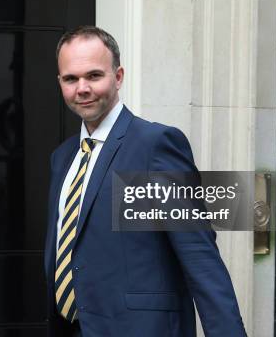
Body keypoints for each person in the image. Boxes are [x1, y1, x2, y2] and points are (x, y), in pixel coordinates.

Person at [43, 26, 246, 336]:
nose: (81, 88)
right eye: (71, 79)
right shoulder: (63, 158)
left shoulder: (154, 145)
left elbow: (199, 257)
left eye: (94, 76)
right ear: (60, 82)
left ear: (118, 76)